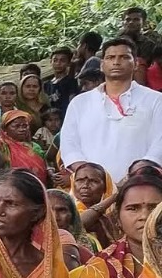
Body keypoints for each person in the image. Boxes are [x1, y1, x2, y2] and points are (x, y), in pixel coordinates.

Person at [60, 36, 162, 182]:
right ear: (102, 65)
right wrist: (89, 174)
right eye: (110, 57)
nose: (116, 62)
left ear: (135, 64)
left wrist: (139, 171)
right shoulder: (80, 103)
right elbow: (69, 144)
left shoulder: (155, 100)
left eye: (124, 57)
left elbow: (159, 144)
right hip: (89, 188)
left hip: (140, 185)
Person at [71, 159, 120, 249]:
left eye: (93, 181)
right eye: (80, 180)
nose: (85, 185)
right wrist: (113, 197)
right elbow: (78, 224)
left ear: (105, 187)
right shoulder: (66, 209)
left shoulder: (116, 214)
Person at [0, 108, 48, 182]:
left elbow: (45, 165)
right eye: (16, 126)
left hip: (37, 185)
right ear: (5, 129)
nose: (22, 129)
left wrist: (50, 171)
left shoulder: (35, 147)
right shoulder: (0, 146)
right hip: (12, 184)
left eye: (25, 126)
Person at [45, 46, 81, 111]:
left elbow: (72, 104)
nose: (58, 63)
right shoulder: (46, 85)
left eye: (62, 60)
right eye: (55, 60)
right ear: (51, 62)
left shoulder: (71, 83)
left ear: (68, 63)